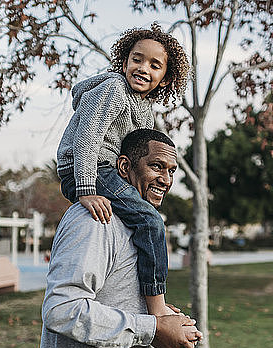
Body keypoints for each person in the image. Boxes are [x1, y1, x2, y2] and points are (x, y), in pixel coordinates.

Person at [34, 129, 202, 348]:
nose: (165, 179)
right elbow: (62, 310)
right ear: (124, 167)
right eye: (157, 166)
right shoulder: (95, 220)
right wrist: (153, 329)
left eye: (172, 171)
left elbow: (118, 298)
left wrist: (165, 320)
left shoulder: (138, 225)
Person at [56, 23, 191, 317]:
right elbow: (88, 136)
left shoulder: (145, 110)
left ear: (165, 79)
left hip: (108, 170)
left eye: (155, 65)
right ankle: (157, 308)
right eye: (137, 59)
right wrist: (86, 190)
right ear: (125, 61)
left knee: (141, 213)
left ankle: (135, 296)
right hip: (85, 169)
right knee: (150, 220)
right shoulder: (114, 89)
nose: (143, 68)